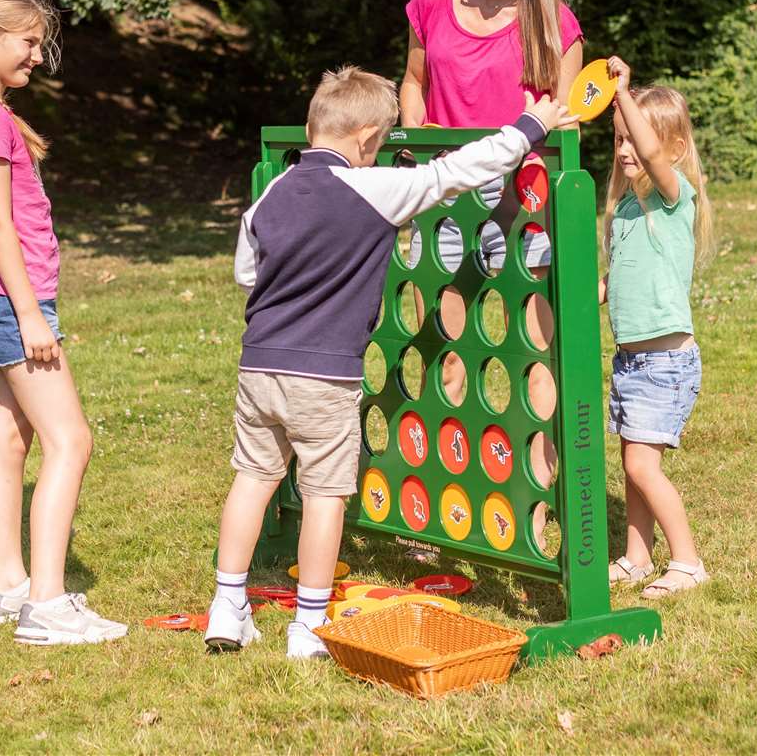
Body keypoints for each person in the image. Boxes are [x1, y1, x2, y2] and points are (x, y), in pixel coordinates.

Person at [206, 66, 573, 657]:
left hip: (259, 367)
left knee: (253, 478)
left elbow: (246, 272)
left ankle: (227, 609)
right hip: (324, 375)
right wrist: (532, 125)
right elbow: (456, 171)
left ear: (311, 126)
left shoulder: (273, 192)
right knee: (326, 496)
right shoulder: (375, 188)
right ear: (369, 138)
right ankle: (307, 625)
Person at [0, 0, 126, 645]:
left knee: (6, 441)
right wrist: (29, 315)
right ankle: (45, 606)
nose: (38, 57)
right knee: (70, 440)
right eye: (29, 43)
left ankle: (9, 585)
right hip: (2, 299)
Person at [398, 0, 583, 400]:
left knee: (537, 357)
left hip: (524, 198)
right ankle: (448, 480)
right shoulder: (430, 1)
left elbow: (564, 122)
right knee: (446, 358)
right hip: (446, 195)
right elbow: (414, 82)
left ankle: (542, 479)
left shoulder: (554, 22)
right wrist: (415, 142)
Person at [600, 56, 717, 598]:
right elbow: (616, 281)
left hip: (666, 362)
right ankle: (635, 557)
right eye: (617, 139)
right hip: (632, 360)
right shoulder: (624, 209)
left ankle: (688, 562)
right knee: (632, 466)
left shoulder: (673, 200)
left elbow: (649, 150)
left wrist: (622, 92)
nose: (626, 149)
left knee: (644, 467)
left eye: (635, 140)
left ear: (672, 149)